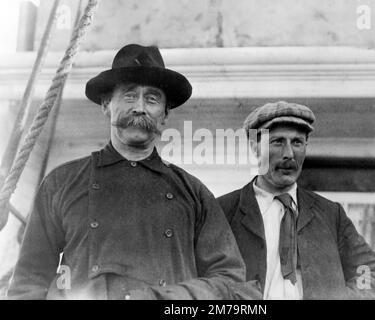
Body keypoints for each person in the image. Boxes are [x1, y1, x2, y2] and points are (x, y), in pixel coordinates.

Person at [7, 44, 260, 300]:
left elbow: (230, 281)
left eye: (151, 99)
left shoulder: (193, 193)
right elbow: (28, 284)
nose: (139, 107)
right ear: (106, 104)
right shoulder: (61, 183)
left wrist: (162, 298)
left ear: (164, 114)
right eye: (129, 96)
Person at [217, 101, 375, 300]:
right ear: (255, 147)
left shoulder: (330, 214)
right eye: (278, 142)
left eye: (297, 142)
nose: (289, 154)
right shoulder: (223, 211)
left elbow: (370, 270)